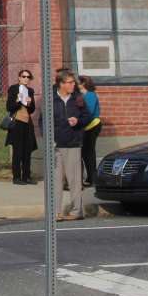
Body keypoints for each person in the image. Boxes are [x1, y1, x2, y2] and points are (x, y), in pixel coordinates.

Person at [51, 71, 94, 222]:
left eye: (73, 82)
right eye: (69, 82)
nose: (73, 85)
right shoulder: (50, 99)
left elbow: (88, 116)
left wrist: (78, 121)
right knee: (55, 181)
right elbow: (43, 121)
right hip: (55, 145)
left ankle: (77, 211)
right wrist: (48, 139)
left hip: (73, 144)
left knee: (75, 181)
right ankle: (55, 213)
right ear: (60, 84)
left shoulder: (78, 98)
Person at [5, 69, 38, 185]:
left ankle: (27, 176)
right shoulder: (13, 89)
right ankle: (17, 177)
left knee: (27, 150)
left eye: (28, 77)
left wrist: (29, 103)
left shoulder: (30, 90)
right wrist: (18, 100)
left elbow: (32, 110)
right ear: (19, 77)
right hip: (17, 122)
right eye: (24, 76)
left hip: (27, 123)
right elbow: (9, 107)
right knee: (18, 150)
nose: (26, 79)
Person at [79, 75, 102, 187]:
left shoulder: (90, 95)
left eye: (77, 83)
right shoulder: (83, 95)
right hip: (86, 126)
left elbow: (90, 111)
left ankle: (93, 179)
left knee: (89, 153)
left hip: (92, 126)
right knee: (85, 153)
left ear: (83, 84)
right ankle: (90, 178)